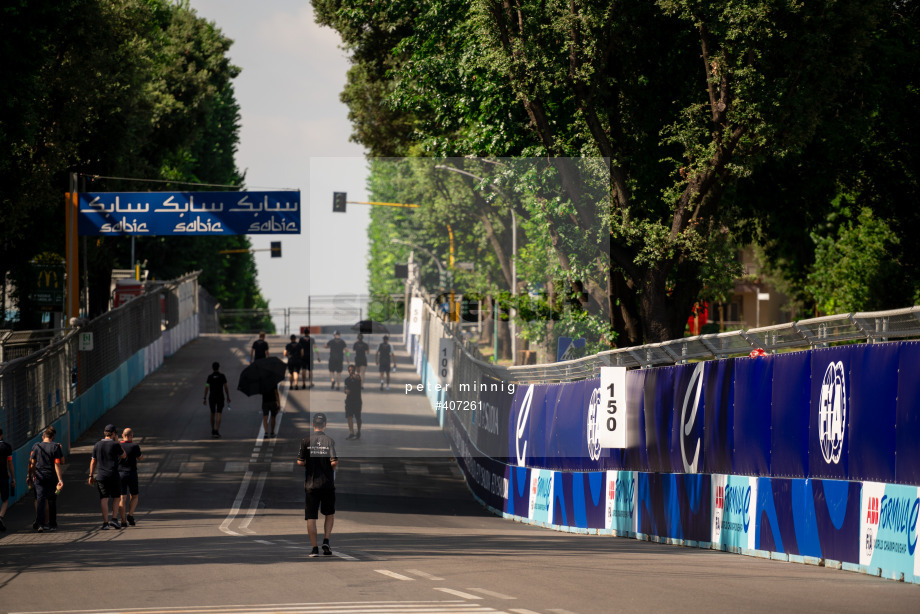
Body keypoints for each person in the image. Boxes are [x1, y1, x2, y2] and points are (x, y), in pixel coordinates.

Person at [296, 412, 337, 557]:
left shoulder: (305, 441)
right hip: (327, 484)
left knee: (311, 517)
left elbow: (300, 461)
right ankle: (326, 540)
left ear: (313, 425)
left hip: (311, 485)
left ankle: (314, 548)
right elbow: (334, 462)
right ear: (325, 425)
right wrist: (328, 467)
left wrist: (308, 464)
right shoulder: (329, 441)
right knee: (329, 514)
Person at [89, 424, 126, 530]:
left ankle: (105, 523)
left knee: (104, 499)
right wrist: (118, 442)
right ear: (113, 434)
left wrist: (91, 475)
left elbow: (93, 461)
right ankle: (114, 519)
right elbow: (123, 455)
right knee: (116, 497)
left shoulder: (97, 445)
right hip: (114, 475)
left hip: (101, 476)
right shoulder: (115, 445)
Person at [27, 426, 64, 532]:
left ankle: (40, 524)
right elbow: (59, 463)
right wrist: (60, 479)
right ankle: (52, 524)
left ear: (43, 436)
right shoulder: (55, 447)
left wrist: (31, 475)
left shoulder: (36, 446)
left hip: (39, 477)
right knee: (52, 499)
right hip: (51, 476)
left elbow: (31, 463)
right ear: (53, 436)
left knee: (40, 499)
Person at [117, 428, 143, 527]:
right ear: (132, 436)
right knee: (135, 495)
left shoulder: (118, 445)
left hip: (120, 474)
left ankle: (123, 520)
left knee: (122, 497)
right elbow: (140, 457)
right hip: (132, 473)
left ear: (122, 435)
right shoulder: (134, 446)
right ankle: (130, 515)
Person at [204, 361, 231, 438]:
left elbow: (206, 387)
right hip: (220, 396)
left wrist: (205, 397)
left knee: (212, 412)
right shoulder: (222, 376)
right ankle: (217, 430)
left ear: (212, 368)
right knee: (219, 413)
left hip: (212, 397)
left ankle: (212, 429)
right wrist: (228, 396)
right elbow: (226, 387)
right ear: (219, 367)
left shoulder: (209, 377)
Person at [0, 427, 15, 531]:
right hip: (3, 476)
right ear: (2, 435)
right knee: (5, 500)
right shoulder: (6, 446)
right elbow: (9, 462)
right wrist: (13, 477)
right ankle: (0, 517)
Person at [343, 364, 363, 440]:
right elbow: (345, 388)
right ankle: (351, 432)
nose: (350, 371)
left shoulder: (358, 378)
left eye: (352, 370)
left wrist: (354, 375)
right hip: (349, 401)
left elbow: (357, 378)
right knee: (349, 416)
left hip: (357, 401)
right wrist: (346, 391)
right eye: (349, 370)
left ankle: (358, 431)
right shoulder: (346, 380)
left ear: (354, 370)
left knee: (358, 418)